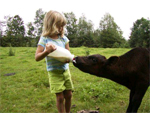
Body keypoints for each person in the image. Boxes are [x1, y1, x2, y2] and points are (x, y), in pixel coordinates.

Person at [35, 10, 74, 113]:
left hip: (65, 71)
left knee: (69, 94)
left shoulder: (64, 39)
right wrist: (46, 51)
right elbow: (37, 57)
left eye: (62, 26)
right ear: (51, 25)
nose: (61, 28)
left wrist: (68, 59)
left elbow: (68, 53)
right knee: (60, 97)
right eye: (59, 26)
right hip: (54, 72)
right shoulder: (45, 39)